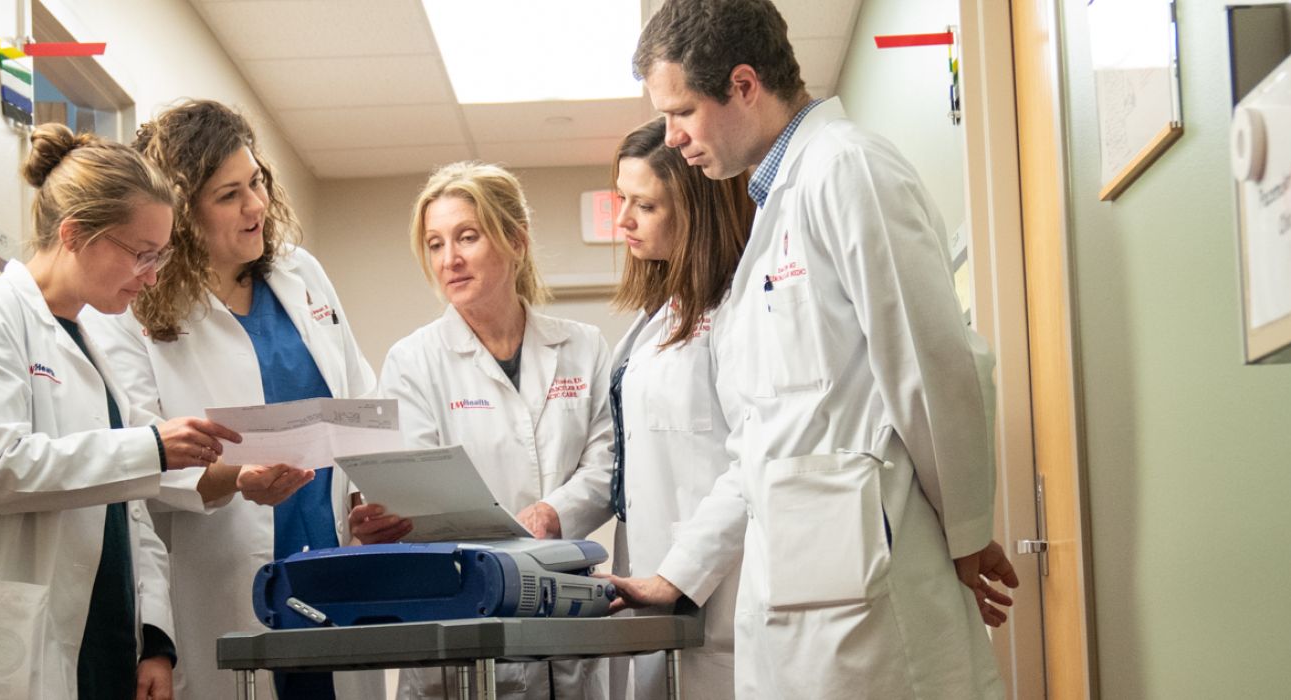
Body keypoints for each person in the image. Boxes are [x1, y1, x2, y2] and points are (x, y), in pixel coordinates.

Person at [606, 0, 1019, 697]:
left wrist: (968, 534)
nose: (671, 138)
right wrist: (674, 575)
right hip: (802, 591)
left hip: (874, 601)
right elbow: (762, 437)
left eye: (681, 113)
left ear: (743, 85)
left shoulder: (847, 168)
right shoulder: (774, 207)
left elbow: (933, 363)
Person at [0, 123, 245, 700]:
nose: (153, 276)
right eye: (142, 254)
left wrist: (154, 638)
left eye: (161, 256)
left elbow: (130, 508)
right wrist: (151, 446)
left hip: (104, 640)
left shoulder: (92, 341)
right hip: (6, 645)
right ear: (75, 234)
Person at [85, 99, 385, 700]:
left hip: (330, 564)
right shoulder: (132, 310)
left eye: (256, 183)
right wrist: (235, 478)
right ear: (182, 215)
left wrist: (369, 497)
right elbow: (140, 458)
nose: (255, 206)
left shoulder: (301, 275)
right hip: (222, 580)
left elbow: (361, 400)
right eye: (228, 195)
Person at [355, 161, 615, 699]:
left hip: (560, 605)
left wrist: (555, 512)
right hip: (458, 604)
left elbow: (606, 462)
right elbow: (418, 486)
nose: (448, 259)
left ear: (515, 241)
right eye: (434, 244)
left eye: (467, 237)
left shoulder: (583, 346)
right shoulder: (414, 361)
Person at [603, 118, 753, 699]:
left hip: (720, 598)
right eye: (623, 199)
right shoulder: (660, 318)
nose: (623, 220)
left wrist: (679, 573)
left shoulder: (737, 311)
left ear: (694, 210)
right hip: (664, 593)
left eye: (645, 205)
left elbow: (751, 460)